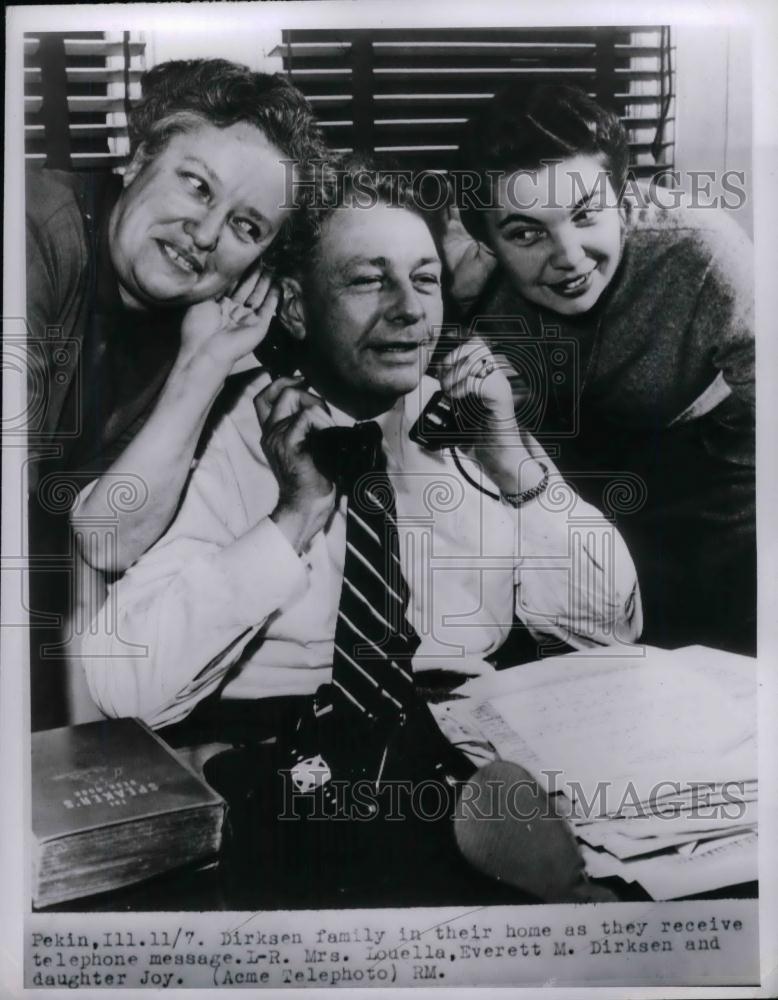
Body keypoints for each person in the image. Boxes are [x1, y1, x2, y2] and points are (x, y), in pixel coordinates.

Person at [74, 161, 640, 906]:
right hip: (283, 775)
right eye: (368, 280)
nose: (409, 310)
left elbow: (610, 630)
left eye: (426, 279)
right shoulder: (230, 434)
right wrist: (294, 514)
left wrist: (511, 461)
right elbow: (124, 684)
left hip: (468, 770)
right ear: (298, 309)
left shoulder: (468, 421)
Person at [26, 59, 323, 726]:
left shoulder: (173, 330)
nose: (208, 234)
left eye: (247, 227)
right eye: (197, 187)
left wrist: (203, 365)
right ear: (136, 159)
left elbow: (107, 538)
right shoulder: (32, 227)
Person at [449, 84, 755, 654]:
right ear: (484, 239)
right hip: (571, 469)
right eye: (525, 232)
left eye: (587, 214)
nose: (568, 255)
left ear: (623, 195)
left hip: (717, 466)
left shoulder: (707, 253)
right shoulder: (462, 282)